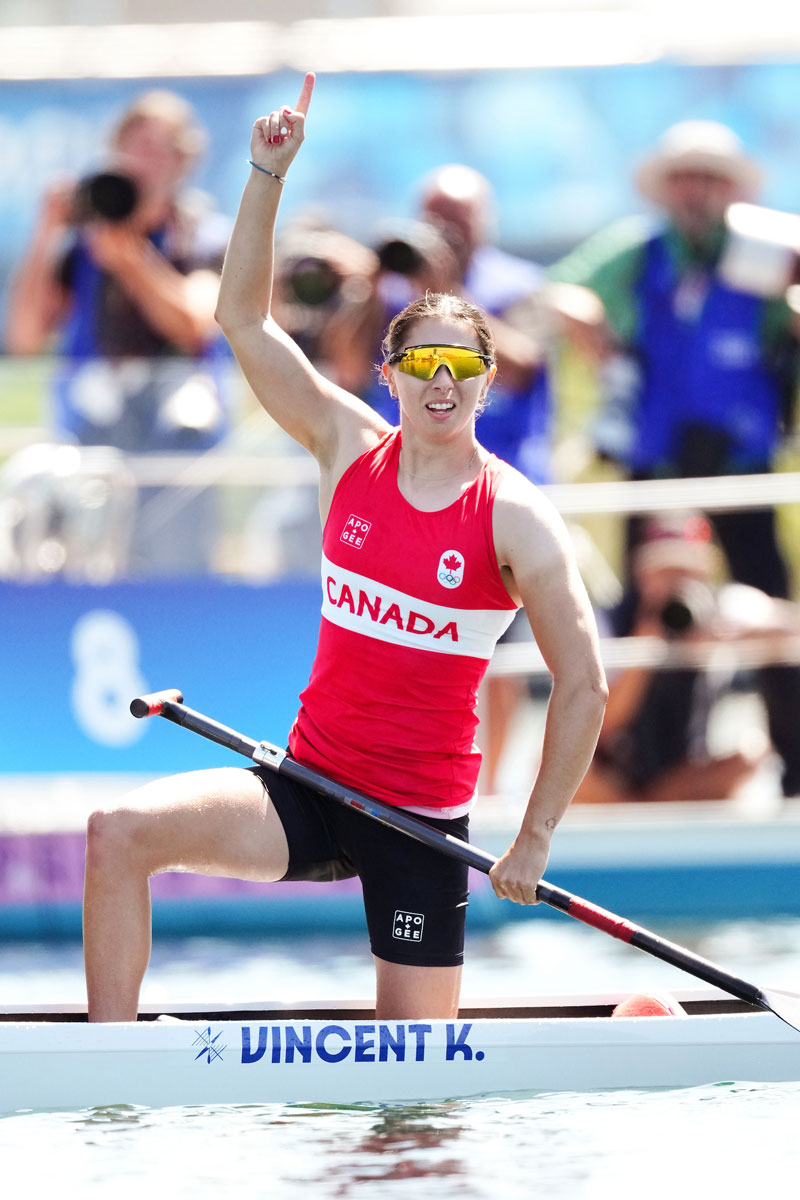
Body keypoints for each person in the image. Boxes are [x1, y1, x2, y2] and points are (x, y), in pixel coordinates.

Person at [82, 74, 608, 1023]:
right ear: (390, 375)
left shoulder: (518, 517)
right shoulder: (344, 444)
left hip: (422, 827)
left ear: (486, 384)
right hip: (308, 786)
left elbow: (585, 685)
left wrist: (532, 840)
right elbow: (241, 320)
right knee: (117, 830)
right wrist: (264, 177)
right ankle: (106, 1070)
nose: (438, 384)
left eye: (460, 368)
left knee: (416, 1120)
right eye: (420, 365)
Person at [549, 119, 800, 797]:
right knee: (654, 616)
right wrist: (596, 333)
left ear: (730, 190)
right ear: (668, 187)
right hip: (658, 469)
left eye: (710, 178)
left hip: (741, 464)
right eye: (686, 177)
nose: (697, 190)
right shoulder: (639, 250)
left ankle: (796, 770)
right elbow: (564, 291)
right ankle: (649, 762)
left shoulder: (768, 248)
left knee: (769, 611)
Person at [4, 89, 233, 573]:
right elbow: (24, 337)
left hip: (176, 455)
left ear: (182, 160)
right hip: (89, 443)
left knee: (175, 579)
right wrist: (48, 229)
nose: (141, 162)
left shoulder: (204, 237)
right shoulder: (84, 245)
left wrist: (130, 261)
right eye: (131, 148)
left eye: (156, 149)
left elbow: (195, 324)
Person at [573, 513, 800, 805]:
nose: (676, 585)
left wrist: (742, 634)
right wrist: (643, 654)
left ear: (705, 573)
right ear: (643, 577)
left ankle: (644, 809)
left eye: (685, 571)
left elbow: (789, 624)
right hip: (615, 774)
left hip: (684, 770)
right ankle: (649, 807)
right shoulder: (609, 623)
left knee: (751, 755)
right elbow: (600, 726)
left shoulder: (723, 608)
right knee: (566, 770)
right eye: (665, 572)